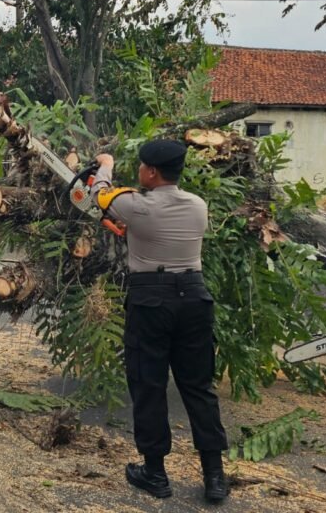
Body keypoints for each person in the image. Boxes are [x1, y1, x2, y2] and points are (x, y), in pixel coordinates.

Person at [93, 141, 229, 503]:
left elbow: (98, 193)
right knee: (199, 386)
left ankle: (155, 473)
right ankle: (214, 474)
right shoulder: (198, 206)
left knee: (148, 383)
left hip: (151, 300)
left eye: (141, 166)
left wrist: (105, 164)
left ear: (151, 172)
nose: (138, 171)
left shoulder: (135, 205)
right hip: (194, 298)